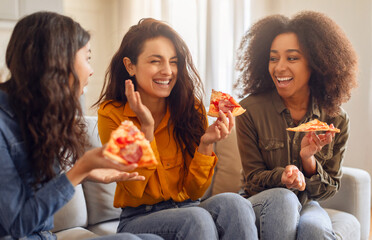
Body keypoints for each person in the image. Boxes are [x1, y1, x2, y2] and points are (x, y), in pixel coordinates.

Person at [0, 11, 163, 240]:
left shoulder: (38, 113)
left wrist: (86, 173)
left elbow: (32, 186)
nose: (91, 70)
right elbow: (18, 225)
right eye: (87, 58)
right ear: (58, 61)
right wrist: (80, 170)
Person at [95, 18, 258, 240]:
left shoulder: (191, 108)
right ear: (130, 66)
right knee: (197, 219)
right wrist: (147, 128)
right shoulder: (111, 114)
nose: (168, 71)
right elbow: (133, 188)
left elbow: (195, 192)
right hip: (139, 217)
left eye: (173, 62)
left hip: (188, 206)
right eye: (155, 61)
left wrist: (206, 143)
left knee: (236, 204)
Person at [234, 11, 358, 240]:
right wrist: (282, 177)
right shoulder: (248, 110)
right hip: (260, 203)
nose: (279, 68)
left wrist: (308, 161)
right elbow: (252, 179)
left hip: (307, 203)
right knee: (284, 199)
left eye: (292, 58)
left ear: (316, 63)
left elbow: (329, 188)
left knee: (315, 229)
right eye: (273, 58)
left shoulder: (336, 119)